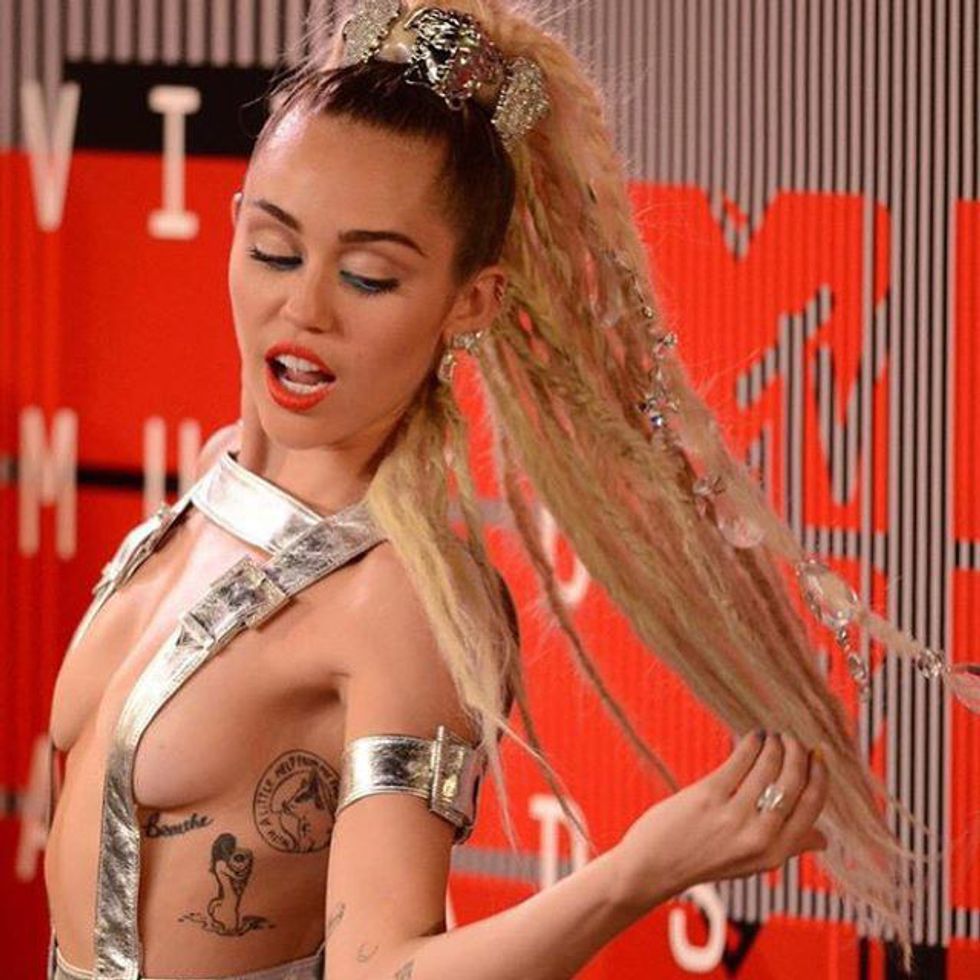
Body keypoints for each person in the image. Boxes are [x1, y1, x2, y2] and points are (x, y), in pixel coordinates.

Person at [42, 1, 957, 977]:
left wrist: (632, 875)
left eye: (368, 277)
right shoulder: (216, 481)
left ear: (468, 300)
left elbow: (379, 969)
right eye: (275, 250)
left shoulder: (400, 601)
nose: (302, 307)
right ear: (234, 229)